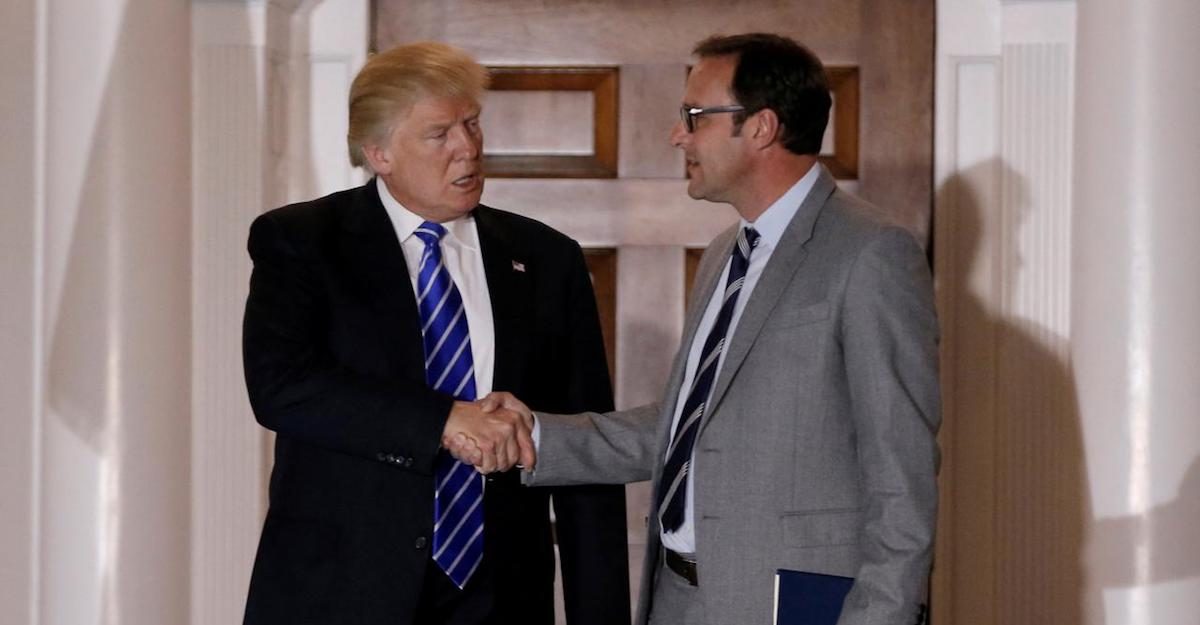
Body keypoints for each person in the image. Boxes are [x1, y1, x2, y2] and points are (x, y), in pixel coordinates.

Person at [467, 33, 940, 625]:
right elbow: (689, 426)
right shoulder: (724, 254)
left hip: (793, 606)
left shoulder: (870, 254)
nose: (677, 136)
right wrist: (535, 434)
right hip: (678, 596)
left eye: (694, 116)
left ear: (762, 127)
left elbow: (902, 478)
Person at [241, 42, 630, 625]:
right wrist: (445, 420)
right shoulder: (302, 241)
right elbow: (283, 387)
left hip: (500, 596)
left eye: (472, 124)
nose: (468, 149)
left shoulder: (547, 259)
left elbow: (583, 450)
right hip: (340, 592)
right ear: (380, 153)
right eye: (439, 133)